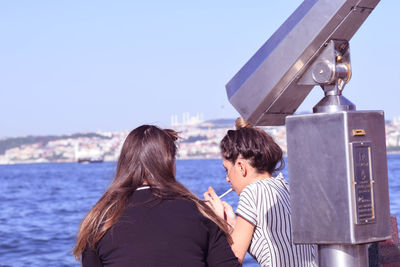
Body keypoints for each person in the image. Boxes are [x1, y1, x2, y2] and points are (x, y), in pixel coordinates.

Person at [73, 125, 240, 267]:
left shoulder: (99, 220)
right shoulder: (200, 214)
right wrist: (225, 229)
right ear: (170, 164)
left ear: (125, 164)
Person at [204, 118, 316, 267]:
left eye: (227, 170)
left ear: (241, 167)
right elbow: (269, 239)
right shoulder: (285, 187)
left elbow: (233, 259)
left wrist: (216, 221)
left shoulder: (251, 192)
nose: (227, 179)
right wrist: (231, 225)